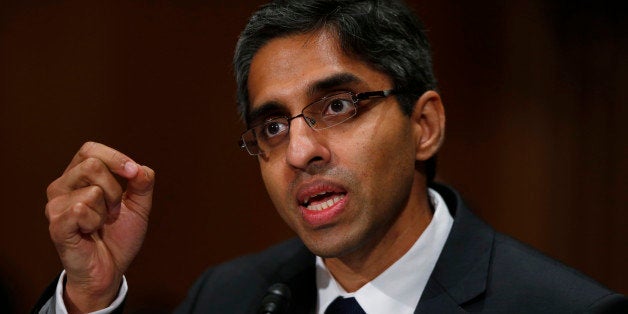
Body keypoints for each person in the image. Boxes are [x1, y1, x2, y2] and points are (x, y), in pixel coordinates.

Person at [34, 0, 627, 313]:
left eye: (339, 106)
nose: (299, 151)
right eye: (271, 125)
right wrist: (88, 298)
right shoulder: (228, 298)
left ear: (423, 126)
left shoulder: (562, 308)